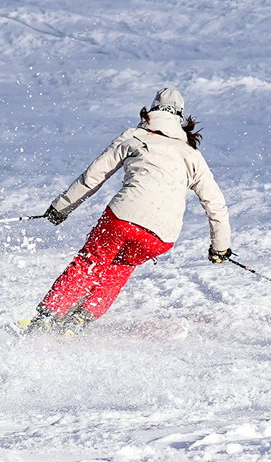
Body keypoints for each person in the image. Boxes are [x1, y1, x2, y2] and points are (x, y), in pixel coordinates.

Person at [28, 87, 232, 335]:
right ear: (180, 118)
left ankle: (47, 317)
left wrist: (61, 208)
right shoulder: (192, 155)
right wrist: (220, 247)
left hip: (123, 217)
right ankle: (80, 319)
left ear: (153, 110)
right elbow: (215, 203)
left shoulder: (134, 136)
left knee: (90, 261)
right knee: (121, 266)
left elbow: (94, 176)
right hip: (162, 236)